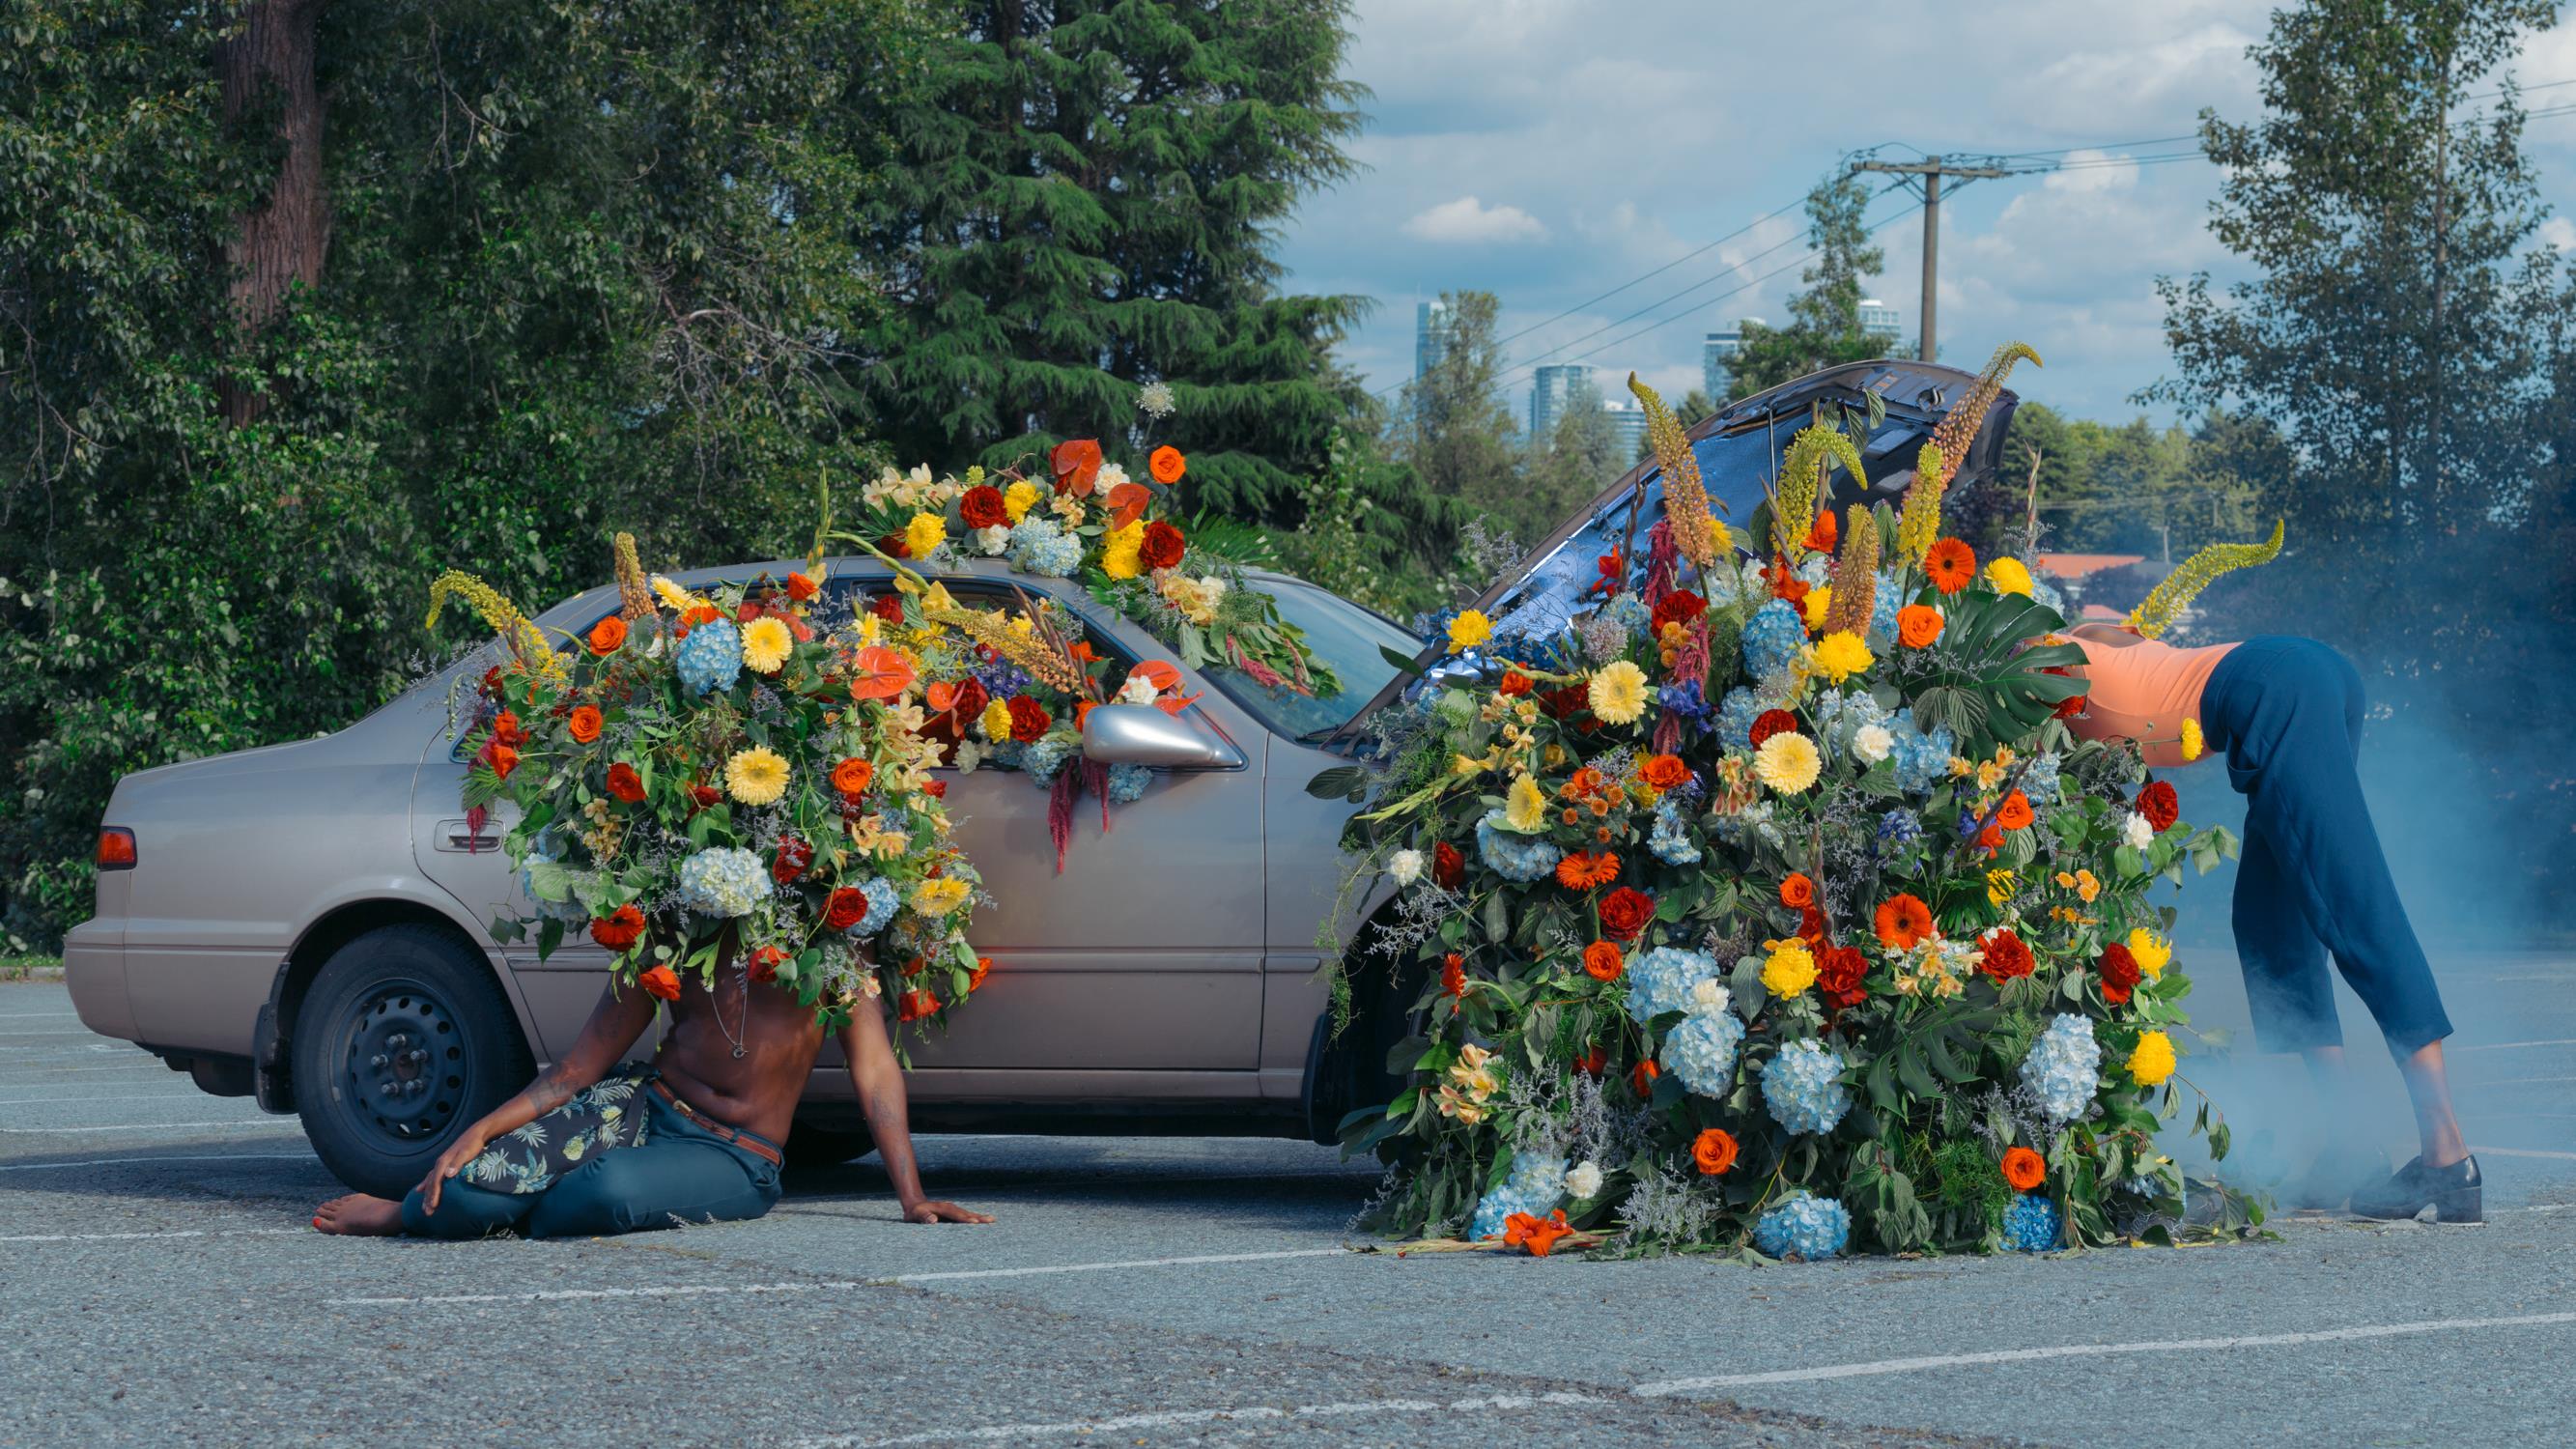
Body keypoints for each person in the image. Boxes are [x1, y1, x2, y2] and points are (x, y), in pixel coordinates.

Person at [2063, 624, 2477, 1223]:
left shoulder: (2044, 668)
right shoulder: (2087, 642)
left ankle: (2446, 1154)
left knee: (2354, 903)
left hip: (2274, 688)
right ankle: (2349, 1143)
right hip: (2297, 669)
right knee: (2270, 923)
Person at [311, 962, 990, 1237]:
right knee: (460, 1185)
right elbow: (575, 1069)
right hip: (641, 1106)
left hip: (732, 1154)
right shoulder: (670, 934)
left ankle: (514, 1209)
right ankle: (414, 1213)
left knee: (605, 1191)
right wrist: (480, 1134)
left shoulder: (832, 947)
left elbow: (875, 1073)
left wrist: (911, 1195)